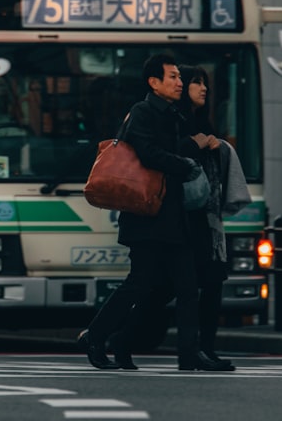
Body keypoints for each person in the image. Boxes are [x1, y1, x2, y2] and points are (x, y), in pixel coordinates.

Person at [78, 54, 231, 372]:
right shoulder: (142, 112)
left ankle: (187, 356)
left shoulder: (174, 115)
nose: (179, 82)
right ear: (154, 82)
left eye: (179, 77)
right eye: (173, 77)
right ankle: (96, 336)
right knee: (138, 284)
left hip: (173, 217)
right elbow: (148, 154)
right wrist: (187, 162)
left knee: (188, 289)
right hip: (147, 217)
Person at [179, 66, 252, 370]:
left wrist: (216, 146)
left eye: (205, 83)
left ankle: (205, 348)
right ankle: (194, 350)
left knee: (212, 285)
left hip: (208, 222)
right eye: (196, 82)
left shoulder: (205, 126)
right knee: (170, 290)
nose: (203, 88)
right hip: (185, 221)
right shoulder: (177, 123)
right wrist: (198, 145)